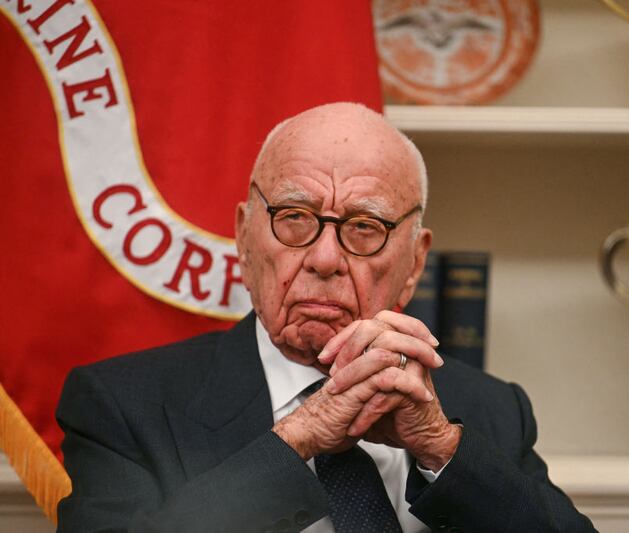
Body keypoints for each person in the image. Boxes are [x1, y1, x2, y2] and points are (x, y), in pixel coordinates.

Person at [56, 102, 596, 532]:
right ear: (245, 239)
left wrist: (440, 446)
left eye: (365, 227)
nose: (324, 258)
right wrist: (299, 440)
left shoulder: (489, 410)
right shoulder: (122, 405)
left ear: (414, 263)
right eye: (295, 218)